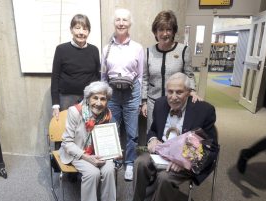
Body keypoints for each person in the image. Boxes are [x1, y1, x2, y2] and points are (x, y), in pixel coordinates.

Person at [121, 72, 219, 201]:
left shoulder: (204, 110)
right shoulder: (160, 104)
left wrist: (185, 159)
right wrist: (153, 139)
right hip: (161, 152)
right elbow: (153, 130)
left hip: (185, 158)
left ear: (188, 92)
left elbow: (211, 147)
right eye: (170, 91)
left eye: (179, 92)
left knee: (164, 177)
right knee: (139, 162)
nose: (173, 96)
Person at [59, 81, 115, 201]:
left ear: (107, 101)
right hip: (76, 151)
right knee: (93, 173)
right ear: (88, 98)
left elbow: (107, 137)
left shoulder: (107, 114)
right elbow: (67, 142)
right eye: (95, 98)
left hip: (97, 151)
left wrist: (114, 150)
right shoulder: (74, 112)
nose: (98, 102)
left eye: (103, 99)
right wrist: (87, 158)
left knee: (109, 168)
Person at [101, 8, 144, 181]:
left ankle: (130, 163)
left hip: (132, 94)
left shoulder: (137, 48)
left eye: (124, 20)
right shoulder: (106, 49)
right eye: (118, 20)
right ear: (114, 23)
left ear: (129, 23)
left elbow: (141, 76)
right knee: (112, 129)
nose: (121, 23)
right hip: (112, 94)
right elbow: (103, 75)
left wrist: (140, 99)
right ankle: (116, 160)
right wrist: (104, 96)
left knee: (132, 132)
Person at [141, 10, 202, 131]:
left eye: (168, 29)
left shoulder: (183, 50)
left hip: (176, 101)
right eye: (161, 30)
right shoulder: (148, 52)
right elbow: (145, 78)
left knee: (174, 134)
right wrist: (144, 102)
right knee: (154, 133)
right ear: (155, 32)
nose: (164, 34)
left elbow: (189, 74)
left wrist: (193, 91)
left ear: (173, 31)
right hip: (154, 102)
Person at [51, 14, 100, 120]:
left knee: (87, 129)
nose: (81, 32)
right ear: (71, 30)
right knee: (68, 131)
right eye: (77, 28)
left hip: (88, 99)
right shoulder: (61, 49)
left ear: (88, 32)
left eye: (85, 29)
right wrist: (55, 104)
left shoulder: (94, 50)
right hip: (67, 99)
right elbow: (55, 77)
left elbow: (98, 76)